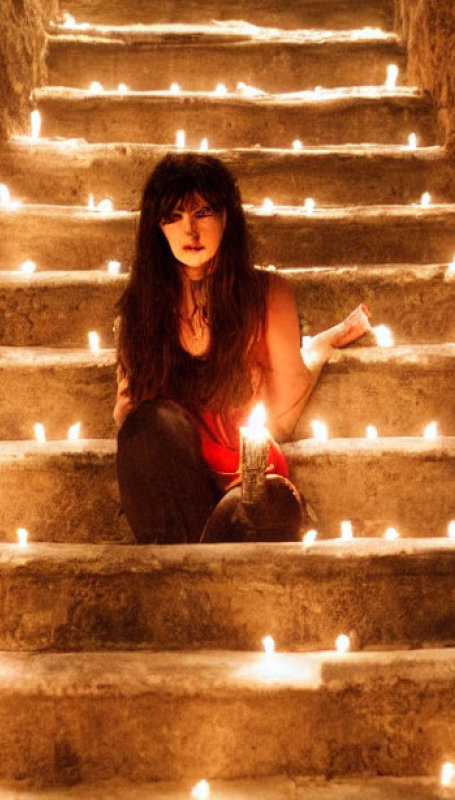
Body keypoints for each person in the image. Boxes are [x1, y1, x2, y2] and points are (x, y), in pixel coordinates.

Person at [114, 153, 372, 544]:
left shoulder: (267, 296)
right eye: (174, 216)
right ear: (157, 228)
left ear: (227, 218)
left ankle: (191, 573)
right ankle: (203, 568)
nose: (191, 230)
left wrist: (318, 349)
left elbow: (282, 418)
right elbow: (138, 428)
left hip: (244, 478)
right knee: (148, 426)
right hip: (177, 482)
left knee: (273, 503)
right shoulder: (141, 309)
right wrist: (128, 413)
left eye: (203, 212)